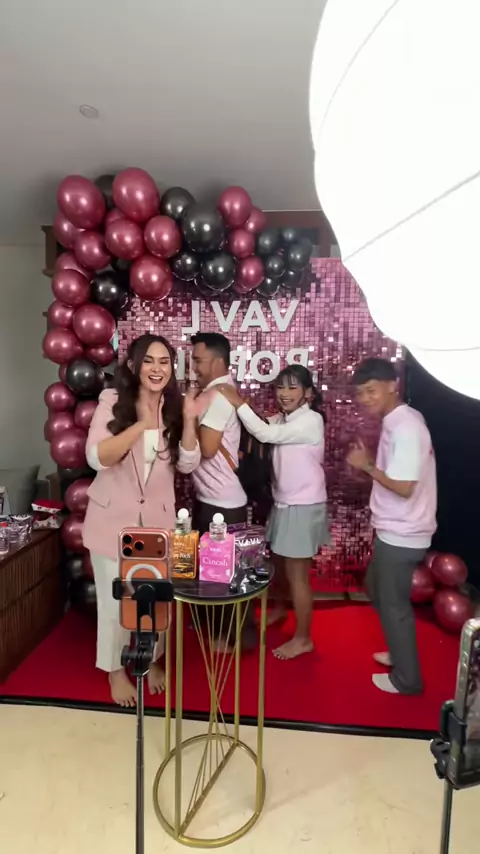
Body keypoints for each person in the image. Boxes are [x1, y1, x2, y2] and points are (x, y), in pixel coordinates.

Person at [83, 334, 201, 707]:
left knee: (155, 600)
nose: (157, 368)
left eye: (164, 361)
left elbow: (188, 464)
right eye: (149, 360)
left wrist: (188, 421)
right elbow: (96, 457)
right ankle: (115, 671)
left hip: (156, 522)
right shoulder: (112, 401)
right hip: (111, 519)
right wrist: (140, 425)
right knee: (115, 604)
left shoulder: (174, 406)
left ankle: (151, 660)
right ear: (134, 366)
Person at [216, 364, 329, 660]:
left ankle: (304, 638)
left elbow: (265, 433)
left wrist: (237, 402)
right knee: (278, 563)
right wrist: (246, 409)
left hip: (302, 506)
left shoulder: (311, 421)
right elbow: (264, 424)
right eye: (281, 387)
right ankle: (279, 608)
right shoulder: (286, 418)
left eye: (292, 387)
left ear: (308, 393)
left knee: (297, 575)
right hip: (283, 502)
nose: (284, 393)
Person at [347, 357, 437, 695]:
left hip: (403, 532)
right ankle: (400, 653)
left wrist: (367, 466)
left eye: (371, 391)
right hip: (396, 528)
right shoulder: (399, 420)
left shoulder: (406, 428)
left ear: (392, 386)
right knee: (376, 588)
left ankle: (407, 680)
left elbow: (404, 486)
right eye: (361, 393)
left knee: (394, 606)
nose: (365, 399)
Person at [190, 332, 255, 650]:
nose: (194, 367)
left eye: (198, 360)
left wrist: (187, 417)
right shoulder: (214, 393)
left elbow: (206, 447)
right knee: (216, 574)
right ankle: (222, 632)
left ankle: (235, 639)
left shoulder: (217, 397)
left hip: (222, 504)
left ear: (217, 362)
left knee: (226, 576)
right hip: (213, 498)